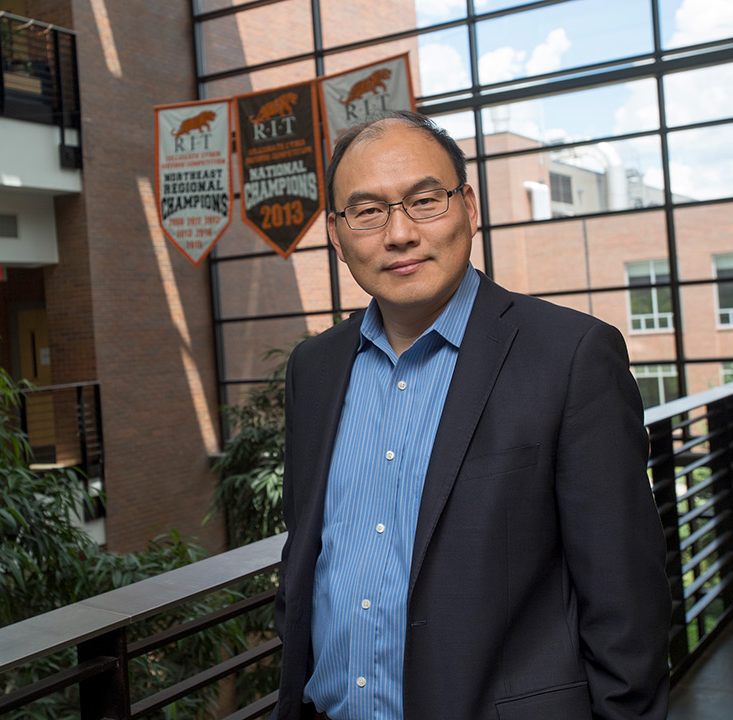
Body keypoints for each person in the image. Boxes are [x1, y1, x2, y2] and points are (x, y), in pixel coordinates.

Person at [272, 110, 670, 720]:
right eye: (368, 211)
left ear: (469, 207)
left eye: (424, 200)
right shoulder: (313, 369)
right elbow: (309, 557)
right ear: (336, 232)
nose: (399, 233)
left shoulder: (571, 357)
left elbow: (626, 605)